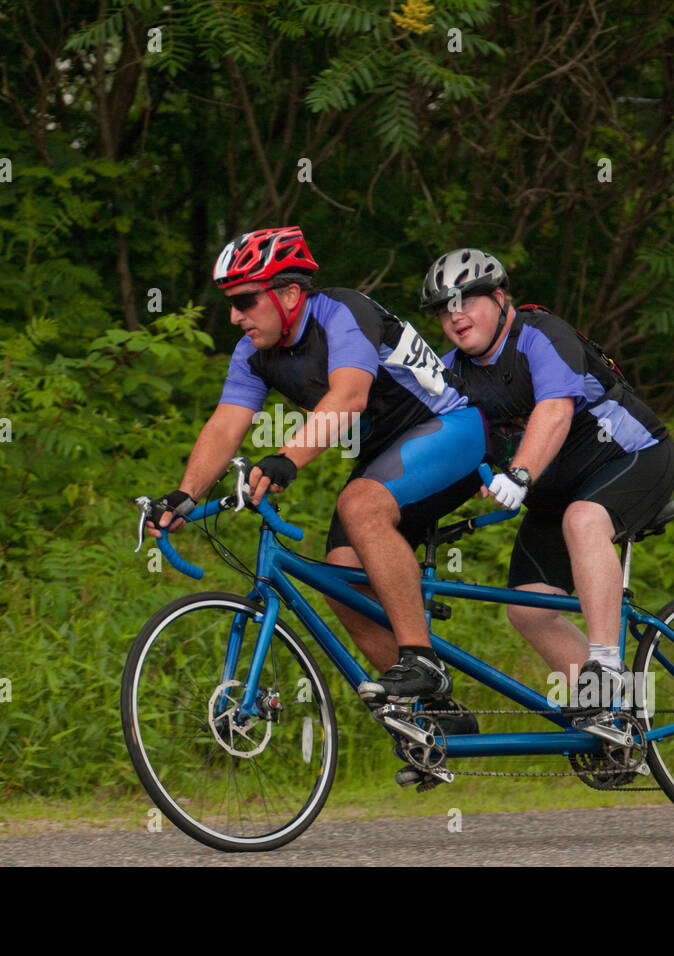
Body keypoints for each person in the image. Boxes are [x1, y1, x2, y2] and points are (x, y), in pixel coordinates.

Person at [146, 227, 487, 746]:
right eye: (230, 304)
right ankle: (433, 713)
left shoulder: (341, 312)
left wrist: (288, 458)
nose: (235, 317)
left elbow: (348, 396)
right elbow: (225, 424)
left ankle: (422, 660)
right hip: (387, 453)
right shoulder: (253, 351)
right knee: (342, 577)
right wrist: (185, 494)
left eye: (244, 301)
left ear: (287, 294)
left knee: (360, 505)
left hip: (452, 430)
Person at [422, 248, 674, 708]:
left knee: (583, 520)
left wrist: (518, 473)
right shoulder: (450, 374)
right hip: (554, 492)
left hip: (632, 455)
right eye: (444, 309)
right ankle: (618, 715)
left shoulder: (541, 334)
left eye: (465, 301)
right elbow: (433, 440)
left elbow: (555, 410)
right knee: (528, 610)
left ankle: (607, 664)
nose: (454, 315)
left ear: (500, 298)